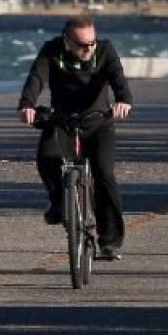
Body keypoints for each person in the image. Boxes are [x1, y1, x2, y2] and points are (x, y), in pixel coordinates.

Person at [17, 14, 134, 261]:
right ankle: (60, 203)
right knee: (47, 157)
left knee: (104, 175)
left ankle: (110, 242)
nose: (88, 49)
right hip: (62, 120)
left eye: (91, 43)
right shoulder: (52, 50)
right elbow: (36, 77)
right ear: (67, 40)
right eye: (82, 45)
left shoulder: (105, 50)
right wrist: (27, 104)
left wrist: (123, 100)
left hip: (98, 121)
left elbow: (117, 77)